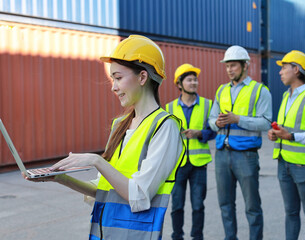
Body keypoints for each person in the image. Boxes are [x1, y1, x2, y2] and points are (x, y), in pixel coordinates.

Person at [24, 35, 185, 240]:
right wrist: (60, 178)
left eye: (118, 78)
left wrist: (96, 160)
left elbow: (139, 196)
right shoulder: (120, 125)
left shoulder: (165, 127)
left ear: (142, 77)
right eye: (113, 80)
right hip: (103, 233)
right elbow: (103, 189)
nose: (113, 87)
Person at [208, 45, 272, 240]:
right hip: (222, 155)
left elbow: (266, 122)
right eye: (227, 66)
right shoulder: (221, 91)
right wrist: (216, 123)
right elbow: (211, 120)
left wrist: (238, 119)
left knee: (252, 206)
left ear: (245, 66)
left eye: (233, 65)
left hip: (246, 155)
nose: (229, 70)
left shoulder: (260, 91)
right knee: (225, 205)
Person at [268, 50, 305, 240]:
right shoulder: (286, 96)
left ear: (296, 69)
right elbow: (287, 129)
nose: (280, 72)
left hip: (304, 166)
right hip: (284, 163)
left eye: (284, 68)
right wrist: (276, 134)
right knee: (291, 213)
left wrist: (292, 136)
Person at [166, 63, 216, 240]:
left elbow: (214, 131)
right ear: (179, 84)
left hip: (199, 164)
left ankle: (197, 237)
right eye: (189, 80)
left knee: (198, 206)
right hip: (178, 164)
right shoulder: (169, 108)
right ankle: (177, 236)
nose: (194, 82)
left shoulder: (208, 105)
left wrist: (200, 133)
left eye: (195, 79)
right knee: (177, 206)